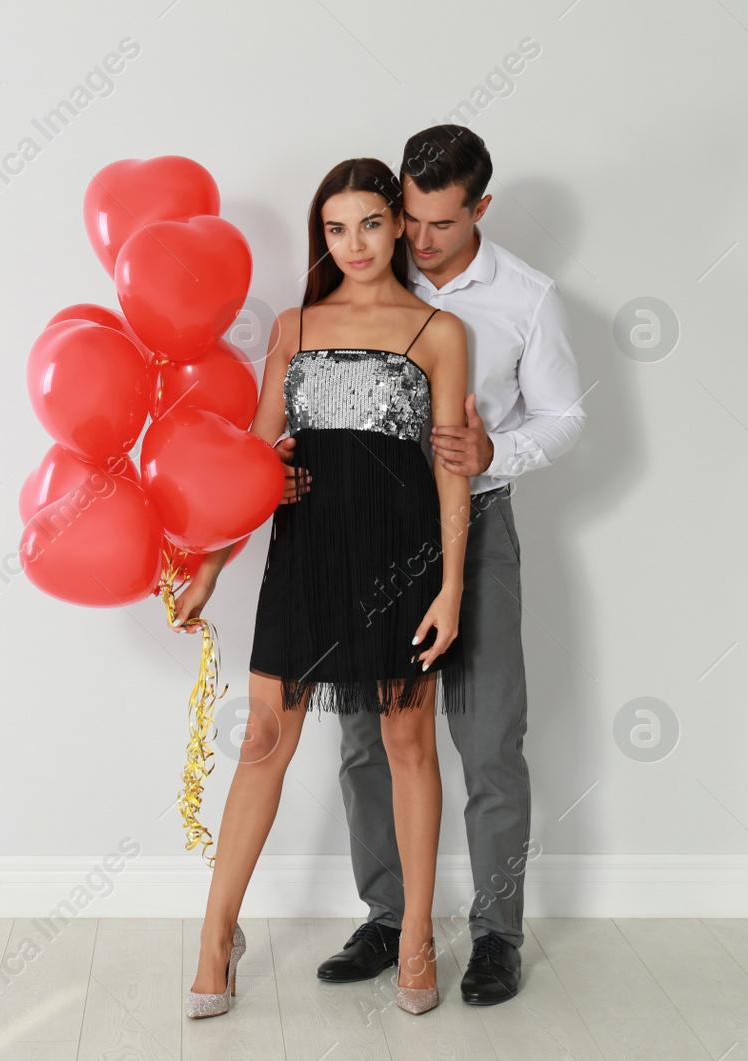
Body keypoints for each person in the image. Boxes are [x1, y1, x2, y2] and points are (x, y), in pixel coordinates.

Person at [172, 156, 472, 1018]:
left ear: (399, 225)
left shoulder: (440, 332)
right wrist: (210, 565)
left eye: (372, 223)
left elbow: (452, 473)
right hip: (306, 556)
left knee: (409, 744)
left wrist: (451, 587)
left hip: (402, 555)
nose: (356, 244)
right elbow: (255, 462)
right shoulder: (295, 326)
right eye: (337, 228)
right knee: (264, 739)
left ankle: (415, 936)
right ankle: (215, 935)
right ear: (323, 235)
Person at [311, 125, 586, 1006]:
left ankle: (497, 934)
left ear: (481, 207)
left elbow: (565, 417)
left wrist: (491, 449)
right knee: (367, 736)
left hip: (482, 522)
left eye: (439, 223)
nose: (420, 241)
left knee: (488, 734)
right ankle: (389, 917)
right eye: (410, 217)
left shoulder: (528, 298)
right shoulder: (365, 270)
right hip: (366, 539)